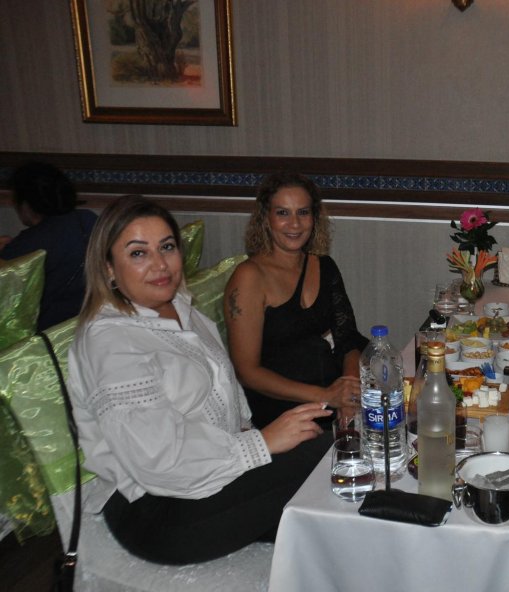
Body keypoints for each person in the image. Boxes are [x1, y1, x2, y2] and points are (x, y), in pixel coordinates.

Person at [68, 195, 333, 565]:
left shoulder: (181, 308)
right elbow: (159, 462)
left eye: (167, 247)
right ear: (109, 268)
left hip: (215, 474)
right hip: (159, 510)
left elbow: (227, 394)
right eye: (138, 253)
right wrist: (262, 444)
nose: (160, 264)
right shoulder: (110, 342)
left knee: (330, 505)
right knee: (327, 456)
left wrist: (255, 439)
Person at [224, 172, 367, 429]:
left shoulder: (324, 266)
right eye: (283, 213)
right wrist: (326, 396)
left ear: (314, 217)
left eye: (303, 212)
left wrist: (350, 395)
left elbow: (348, 339)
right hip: (282, 411)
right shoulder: (249, 277)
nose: (295, 224)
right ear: (265, 218)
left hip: (332, 394)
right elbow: (246, 372)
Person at [0, 161, 97, 330]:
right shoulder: (88, 219)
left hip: (52, 332)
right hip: (95, 320)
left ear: (26, 204)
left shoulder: (30, 243)